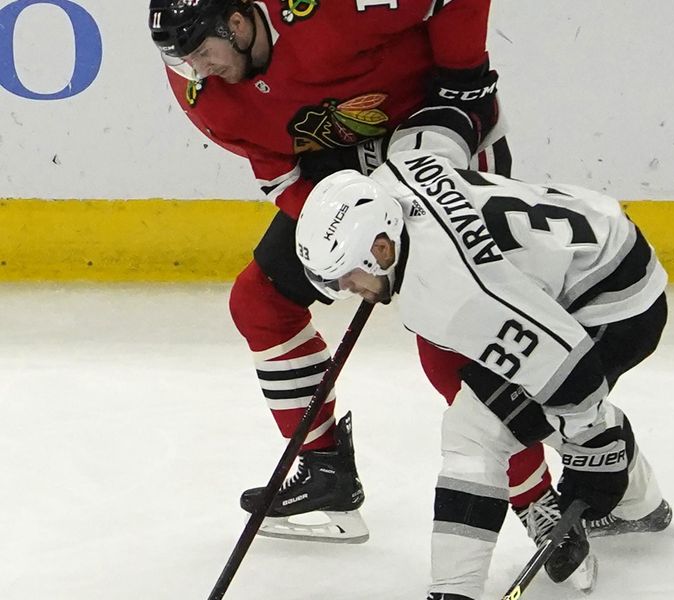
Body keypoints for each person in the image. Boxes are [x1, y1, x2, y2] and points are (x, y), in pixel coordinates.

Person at [147, 0, 572, 549]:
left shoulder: (326, 10)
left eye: (204, 54)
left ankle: (541, 498)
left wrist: (462, 83)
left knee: (446, 341)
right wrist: (356, 247)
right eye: (186, 62)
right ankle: (326, 472)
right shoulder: (201, 87)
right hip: (344, 173)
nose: (198, 72)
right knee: (260, 303)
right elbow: (283, 175)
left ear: (236, 22)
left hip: (434, 143)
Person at [293, 103, 673, 599]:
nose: (348, 290)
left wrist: (591, 453)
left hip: (614, 307)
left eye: (348, 276)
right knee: (530, 414)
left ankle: (455, 591)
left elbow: (567, 368)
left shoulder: (451, 295)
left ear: (381, 248)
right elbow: (443, 122)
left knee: (477, 435)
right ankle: (639, 506)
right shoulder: (399, 168)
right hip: (596, 238)